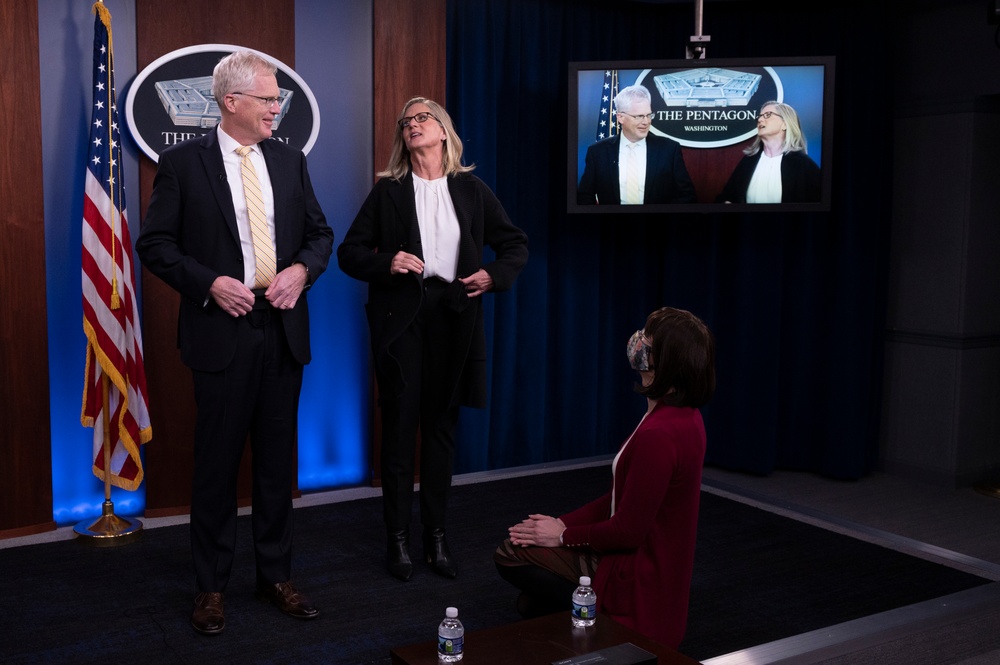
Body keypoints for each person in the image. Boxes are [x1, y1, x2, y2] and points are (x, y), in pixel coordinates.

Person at [136, 50, 333, 635]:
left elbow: (320, 234)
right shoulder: (182, 164)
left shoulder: (291, 160)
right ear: (231, 102)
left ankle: (276, 577)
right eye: (270, 98)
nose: (278, 107)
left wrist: (302, 270)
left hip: (282, 329)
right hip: (220, 333)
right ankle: (211, 588)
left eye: (278, 99)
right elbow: (156, 245)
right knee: (217, 468)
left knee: (277, 465)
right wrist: (209, 284)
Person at [338, 96, 528, 583]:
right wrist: (389, 262)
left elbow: (514, 245)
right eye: (406, 122)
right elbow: (350, 253)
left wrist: (492, 276)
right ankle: (397, 539)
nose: (412, 126)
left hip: (455, 316)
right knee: (400, 429)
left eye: (422, 118)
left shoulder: (472, 189)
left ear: (443, 130)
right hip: (403, 318)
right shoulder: (389, 192)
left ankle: (436, 537)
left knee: (441, 432)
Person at [494, 306, 716, 648]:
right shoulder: (682, 416)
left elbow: (627, 531)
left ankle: (606, 623)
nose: (637, 343)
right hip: (652, 564)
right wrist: (558, 523)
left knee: (510, 554)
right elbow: (622, 498)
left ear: (667, 363)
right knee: (531, 603)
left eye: (648, 342)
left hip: (639, 574)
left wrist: (563, 536)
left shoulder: (661, 434)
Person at [577, 85, 696, 205]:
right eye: (639, 116)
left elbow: (686, 195)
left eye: (649, 115)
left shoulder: (669, 149)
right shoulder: (598, 152)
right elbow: (584, 196)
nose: (646, 122)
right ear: (620, 117)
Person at [716, 100, 821, 203]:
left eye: (767, 115)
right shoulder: (748, 161)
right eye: (760, 116)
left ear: (785, 124)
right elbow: (727, 197)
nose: (760, 120)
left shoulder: (803, 164)